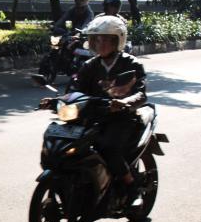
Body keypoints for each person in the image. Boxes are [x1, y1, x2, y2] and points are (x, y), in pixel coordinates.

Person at [40, 16, 147, 209]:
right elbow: (74, 91)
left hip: (121, 118)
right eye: (97, 39)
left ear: (118, 40)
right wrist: (55, 102)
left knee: (107, 148)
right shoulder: (89, 66)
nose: (101, 43)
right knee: (65, 143)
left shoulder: (131, 64)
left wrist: (124, 102)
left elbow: (141, 94)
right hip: (92, 116)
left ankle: (132, 190)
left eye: (106, 39)